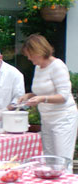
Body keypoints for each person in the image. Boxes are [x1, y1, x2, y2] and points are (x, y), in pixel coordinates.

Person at [19, 34, 78, 168]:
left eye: (30, 55)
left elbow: (63, 96)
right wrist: (29, 95)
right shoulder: (38, 68)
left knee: (62, 162)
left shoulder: (57, 66)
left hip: (63, 119)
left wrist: (42, 99)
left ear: (38, 51)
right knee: (50, 161)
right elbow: (43, 91)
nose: (28, 58)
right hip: (47, 119)